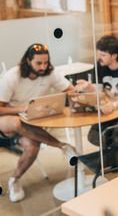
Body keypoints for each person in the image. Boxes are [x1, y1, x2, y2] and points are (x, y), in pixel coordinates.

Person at [0, 43, 77, 202]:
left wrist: (77, 90)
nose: (43, 66)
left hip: (31, 122)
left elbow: (70, 90)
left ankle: (14, 180)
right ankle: (61, 146)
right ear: (28, 61)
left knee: (33, 147)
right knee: (16, 122)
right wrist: (22, 109)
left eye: (46, 62)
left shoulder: (50, 73)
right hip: (7, 119)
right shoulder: (12, 76)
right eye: (38, 63)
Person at [74, 35, 118, 145]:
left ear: (114, 56)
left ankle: (116, 158)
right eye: (98, 54)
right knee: (94, 137)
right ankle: (110, 158)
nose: (99, 58)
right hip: (108, 110)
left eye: (103, 55)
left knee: (116, 138)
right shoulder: (99, 66)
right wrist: (89, 87)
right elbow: (98, 94)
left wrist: (113, 106)